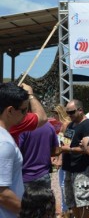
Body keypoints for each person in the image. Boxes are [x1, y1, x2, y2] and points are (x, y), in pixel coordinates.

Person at [0, 82, 30, 218]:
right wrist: (31, 213)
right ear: (10, 110)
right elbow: (2, 194)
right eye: (24, 110)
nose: (26, 114)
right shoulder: (4, 143)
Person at [60, 99, 89, 218]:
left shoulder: (87, 125)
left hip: (82, 169)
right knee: (71, 199)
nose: (69, 115)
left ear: (80, 110)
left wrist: (70, 149)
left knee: (83, 200)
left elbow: (88, 149)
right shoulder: (70, 125)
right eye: (67, 112)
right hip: (69, 168)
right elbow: (66, 143)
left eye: (72, 112)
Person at [19, 122, 60, 189]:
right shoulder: (49, 126)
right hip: (44, 173)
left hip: (25, 175)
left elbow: (16, 151)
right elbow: (56, 150)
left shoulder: (23, 126)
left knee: (25, 199)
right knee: (45, 198)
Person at [51, 104, 72, 218]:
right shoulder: (64, 124)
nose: (54, 116)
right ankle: (66, 210)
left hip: (66, 160)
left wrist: (60, 160)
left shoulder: (66, 125)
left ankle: (66, 211)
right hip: (64, 158)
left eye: (55, 113)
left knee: (64, 185)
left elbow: (66, 144)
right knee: (63, 185)